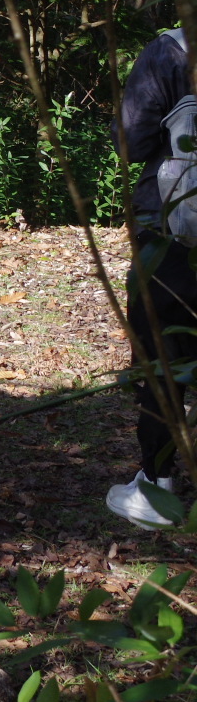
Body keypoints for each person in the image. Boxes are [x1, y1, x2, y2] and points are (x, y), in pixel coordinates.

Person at [110, 27, 197, 527]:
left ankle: (156, 490)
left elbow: (132, 141)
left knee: (162, 360)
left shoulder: (169, 52)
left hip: (171, 235)